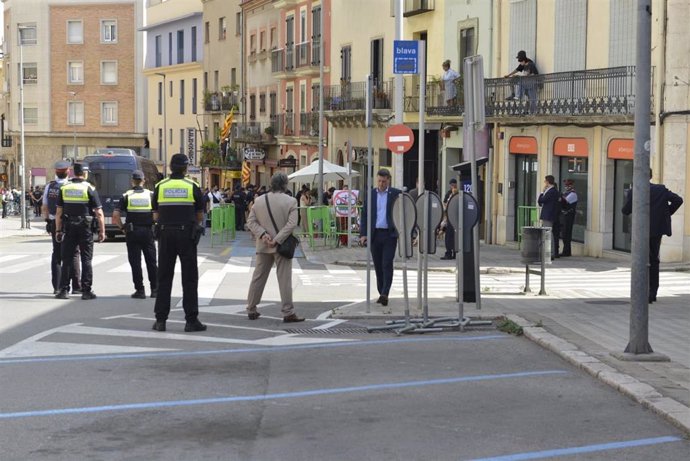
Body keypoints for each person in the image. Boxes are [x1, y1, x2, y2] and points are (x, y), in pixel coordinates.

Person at [151, 153, 207, 332]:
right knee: (189, 278)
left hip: (166, 234)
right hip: (186, 235)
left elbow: (155, 215)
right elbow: (199, 214)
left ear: (170, 167)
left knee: (164, 277)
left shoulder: (160, 186)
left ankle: (160, 321)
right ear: (185, 168)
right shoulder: (192, 186)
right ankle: (191, 321)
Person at [245, 172, 304, 322]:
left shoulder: (259, 200)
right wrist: (277, 240)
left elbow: (250, 222)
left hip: (263, 245)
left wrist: (264, 234)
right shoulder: (291, 201)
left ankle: (251, 308)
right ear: (285, 185)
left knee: (258, 277)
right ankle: (287, 312)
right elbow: (292, 224)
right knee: (284, 279)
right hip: (281, 246)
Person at [622, 170, 683, 303]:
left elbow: (625, 211)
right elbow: (678, 200)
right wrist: (665, 214)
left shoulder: (634, 191)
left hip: (640, 231)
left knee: (640, 260)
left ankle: (641, 292)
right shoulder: (660, 190)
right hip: (656, 231)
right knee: (654, 260)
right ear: (650, 176)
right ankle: (652, 292)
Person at [54, 162, 105, 300]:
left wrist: (58, 231)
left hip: (69, 227)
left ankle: (64, 290)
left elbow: (59, 212)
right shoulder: (89, 188)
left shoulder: (65, 188)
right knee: (86, 259)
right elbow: (99, 213)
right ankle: (86, 291)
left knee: (67, 259)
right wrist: (102, 231)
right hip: (85, 228)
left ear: (73, 173)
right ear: (85, 173)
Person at [113, 170, 158, 299]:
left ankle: (140, 290)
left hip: (132, 232)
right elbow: (156, 215)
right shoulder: (151, 195)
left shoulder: (126, 196)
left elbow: (115, 216)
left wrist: (122, 228)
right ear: (144, 181)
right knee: (151, 261)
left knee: (135, 262)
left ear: (132, 181)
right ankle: (155, 290)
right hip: (148, 231)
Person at [359, 168, 401, 306]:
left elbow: (402, 211)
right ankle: (381, 290)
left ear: (388, 180)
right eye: (379, 181)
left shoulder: (395, 194)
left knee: (386, 263)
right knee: (378, 265)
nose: (381, 184)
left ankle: (385, 293)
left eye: (384, 181)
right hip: (374, 234)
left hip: (389, 234)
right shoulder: (371, 194)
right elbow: (364, 214)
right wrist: (363, 234)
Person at [42, 160, 82, 295]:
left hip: (55, 222)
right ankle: (76, 286)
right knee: (74, 253)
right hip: (71, 223)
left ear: (56, 173)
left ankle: (58, 286)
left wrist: (47, 221)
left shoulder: (50, 186)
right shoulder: (71, 186)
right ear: (68, 172)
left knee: (57, 254)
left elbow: (45, 206)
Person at [537, 175, 561, 260]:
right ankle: (549, 252)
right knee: (548, 233)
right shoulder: (554, 191)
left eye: (545, 181)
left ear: (547, 182)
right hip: (550, 215)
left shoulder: (551, 191)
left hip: (548, 215)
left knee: (548, 234)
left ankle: (550, 253)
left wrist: (542, 193)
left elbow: (541, 200)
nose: (544, 183)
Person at [441, 178, 459, 260]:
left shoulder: (458, 194)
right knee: (449, 237)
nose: (453, 187)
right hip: (449, 218)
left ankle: (453, 253)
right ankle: (450, 252)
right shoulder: (448, 193)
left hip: (454, 218)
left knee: (452, 237)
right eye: (452, 185)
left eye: (454, 185)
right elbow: (445, 203)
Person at [559, 179, 578, 257]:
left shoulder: (573, 194)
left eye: (568, 185)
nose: (567, 187)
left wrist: (560, 197)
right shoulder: (565, 193)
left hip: (568, 216)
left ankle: (566, 251)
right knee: (564, 234)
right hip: (564, 216)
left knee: (567, 234)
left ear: (572, 186)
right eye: (566, 185)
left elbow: (564, 202)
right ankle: (566, 251)